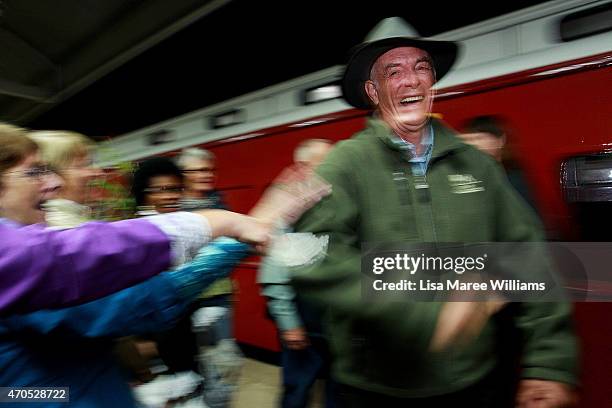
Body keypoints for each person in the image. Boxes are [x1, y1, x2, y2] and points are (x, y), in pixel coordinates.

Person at [291, 17, 577, 408]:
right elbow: (308, 254)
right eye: (394, 72)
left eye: (421, 68)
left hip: (473, 381)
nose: (412, 81)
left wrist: (549, 362)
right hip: (375, 388)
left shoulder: (476, 164)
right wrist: (420, 314)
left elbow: (527, 251)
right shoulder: (342, 165)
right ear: (373, 91)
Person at [0, 122, 270, 315]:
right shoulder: (42, 241)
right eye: (82, 164)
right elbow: (115, 302)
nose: (96, 173)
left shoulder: (49, 230)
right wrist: (230, 234)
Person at [259, 139, 335, 408]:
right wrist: (289, 321)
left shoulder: (334, 203)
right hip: (304, 320)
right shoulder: (291, 210)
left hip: (336, 323)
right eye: (327, 161)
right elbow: (276, 272)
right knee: (298, 389)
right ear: (304, 166)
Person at [460, 115, 538, 211]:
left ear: (501, 140)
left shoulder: (512, 178)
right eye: (466, 140)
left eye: (479, 138)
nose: (473, 145)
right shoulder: (467, 177)